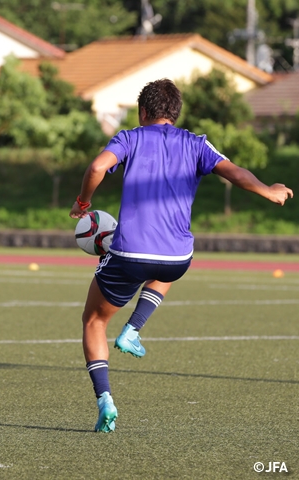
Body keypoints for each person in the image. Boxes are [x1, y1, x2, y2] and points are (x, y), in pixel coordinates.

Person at [69, 79, 293, 433]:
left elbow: (97, 168)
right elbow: (234, 172)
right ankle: (134, 329)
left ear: (144, 112)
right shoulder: (197, 143)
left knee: (94, 321)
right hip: (178, 256)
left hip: (129, 253)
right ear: (175, 113)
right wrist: (268, 191)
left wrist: (83, 203)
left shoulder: (131, 138)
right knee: (168, 265)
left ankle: (105, 400)